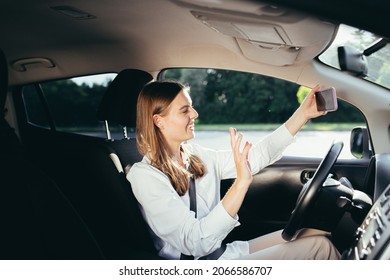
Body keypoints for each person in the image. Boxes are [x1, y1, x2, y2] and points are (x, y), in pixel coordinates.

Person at [127, 80, 340, 260]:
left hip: (222, 252)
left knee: (319, 233)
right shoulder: (146, 176)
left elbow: (257, 156)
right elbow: (195, 243)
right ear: (158, 121)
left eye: (191, 106)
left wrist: (303, 114)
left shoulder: (196, 156)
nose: (195, 113)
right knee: (321, 247)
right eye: (185, 110)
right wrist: (240, 184)